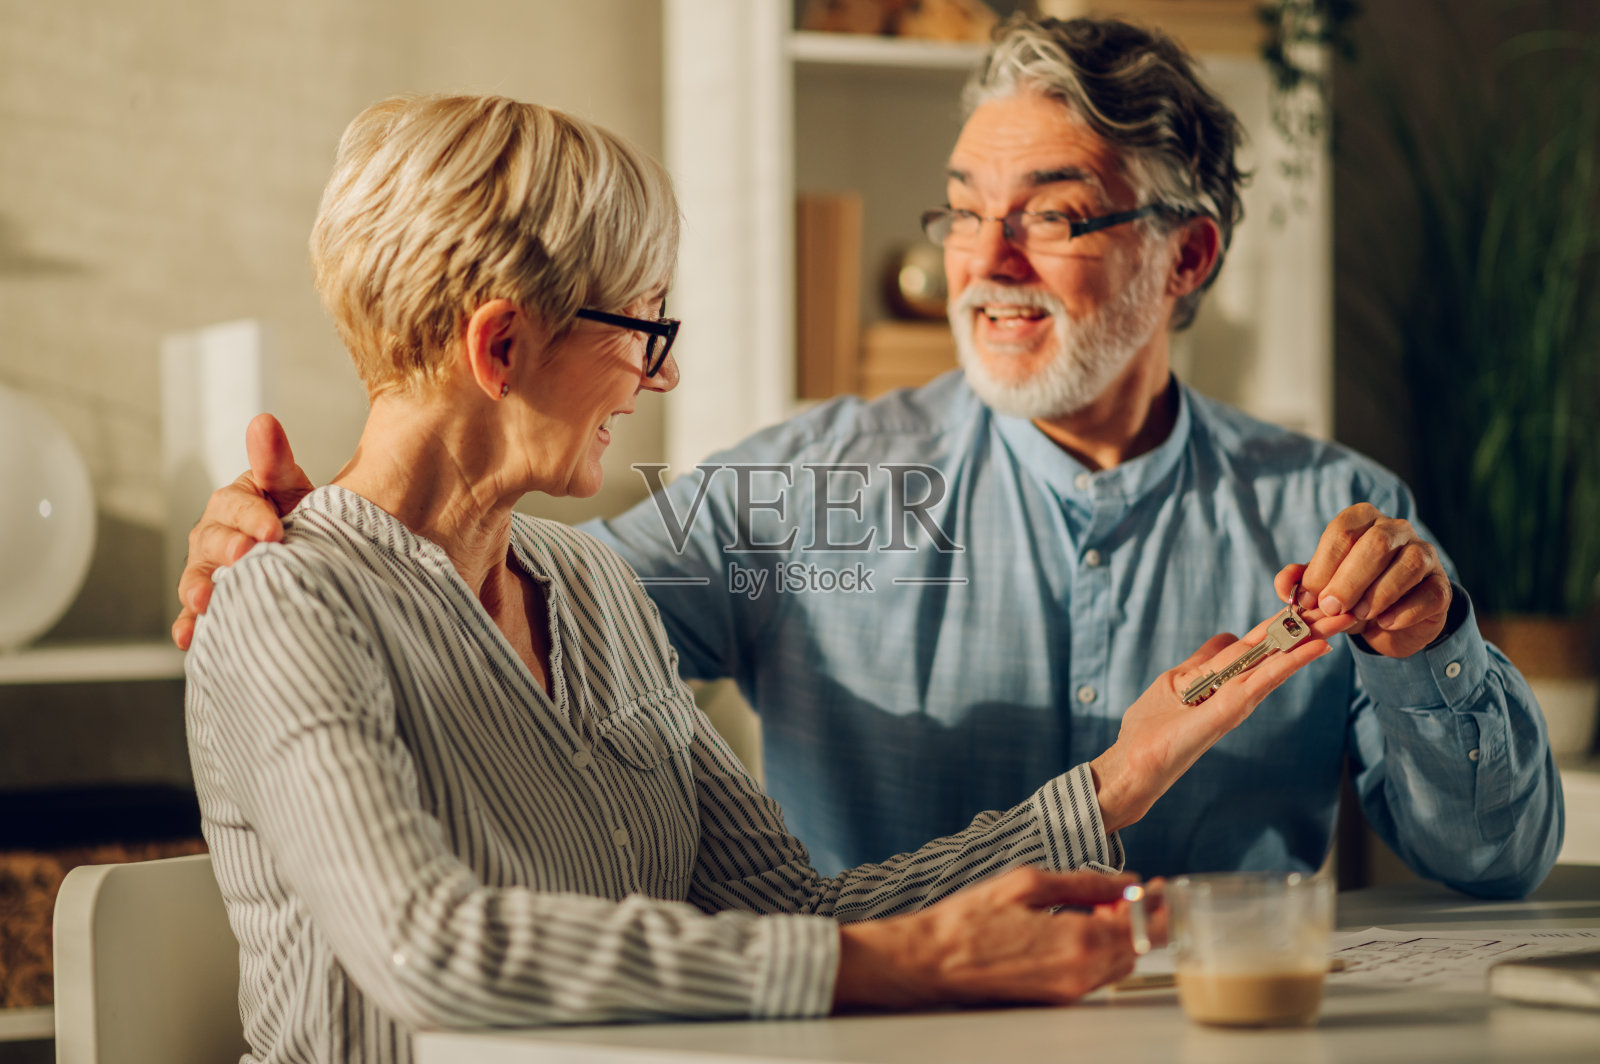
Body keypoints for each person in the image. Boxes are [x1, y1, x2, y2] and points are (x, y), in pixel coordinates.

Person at [175, 16, 1562, 900]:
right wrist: (309, 553)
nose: (984, 265)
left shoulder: (1339, 514)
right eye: (963, 215)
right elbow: (485, 613)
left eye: (1051, 218)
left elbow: (1493, 860)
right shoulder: (789, 498)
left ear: (1184, 254)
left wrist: (1432, 645)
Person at [184, 92, 1347, 1063]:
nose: (667, 370)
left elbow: (787, 915)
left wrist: (1111, 785)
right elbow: (424, 948)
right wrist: (899, 965)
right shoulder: (289, 600)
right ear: (500, 347)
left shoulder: (588, 585)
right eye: (645, 325)